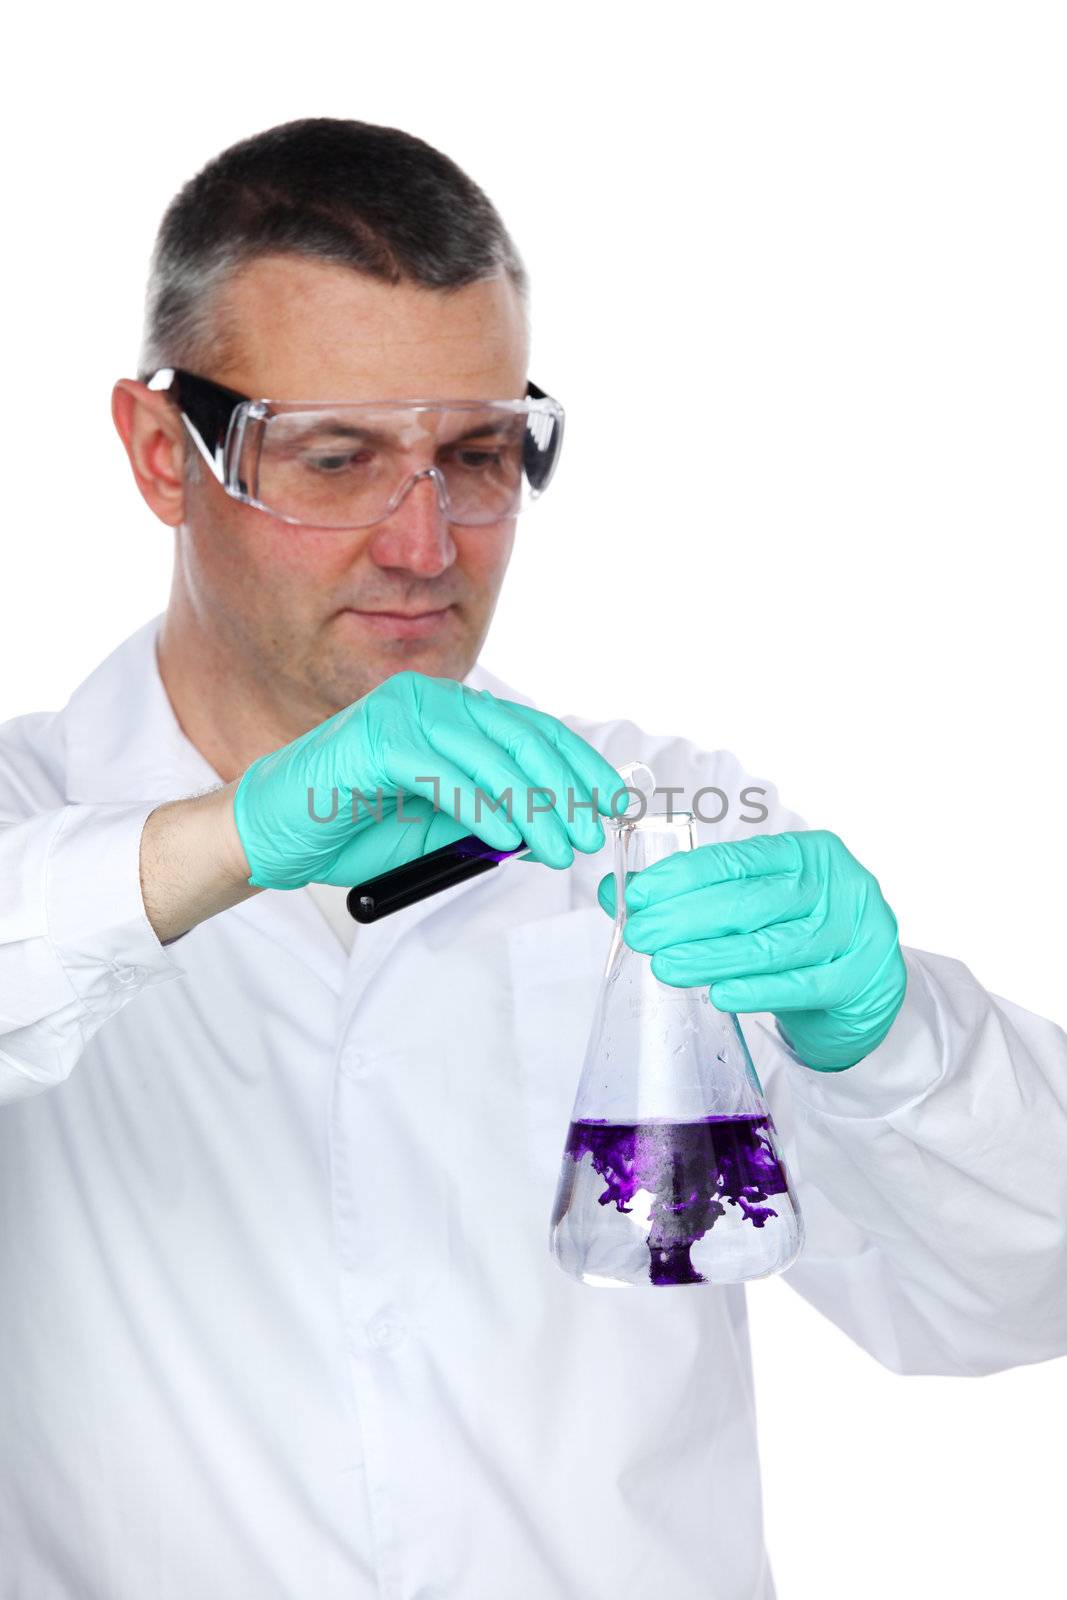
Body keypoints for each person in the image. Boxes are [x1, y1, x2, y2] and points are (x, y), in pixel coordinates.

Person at [1, 117, 1064, 1600]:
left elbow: (1020, 1293)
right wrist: (230, 842)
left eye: (480, 454)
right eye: (338, 458)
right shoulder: (28, 806)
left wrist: (893, 1046)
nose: (427, 545)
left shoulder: (656, 818)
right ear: (160, 456)